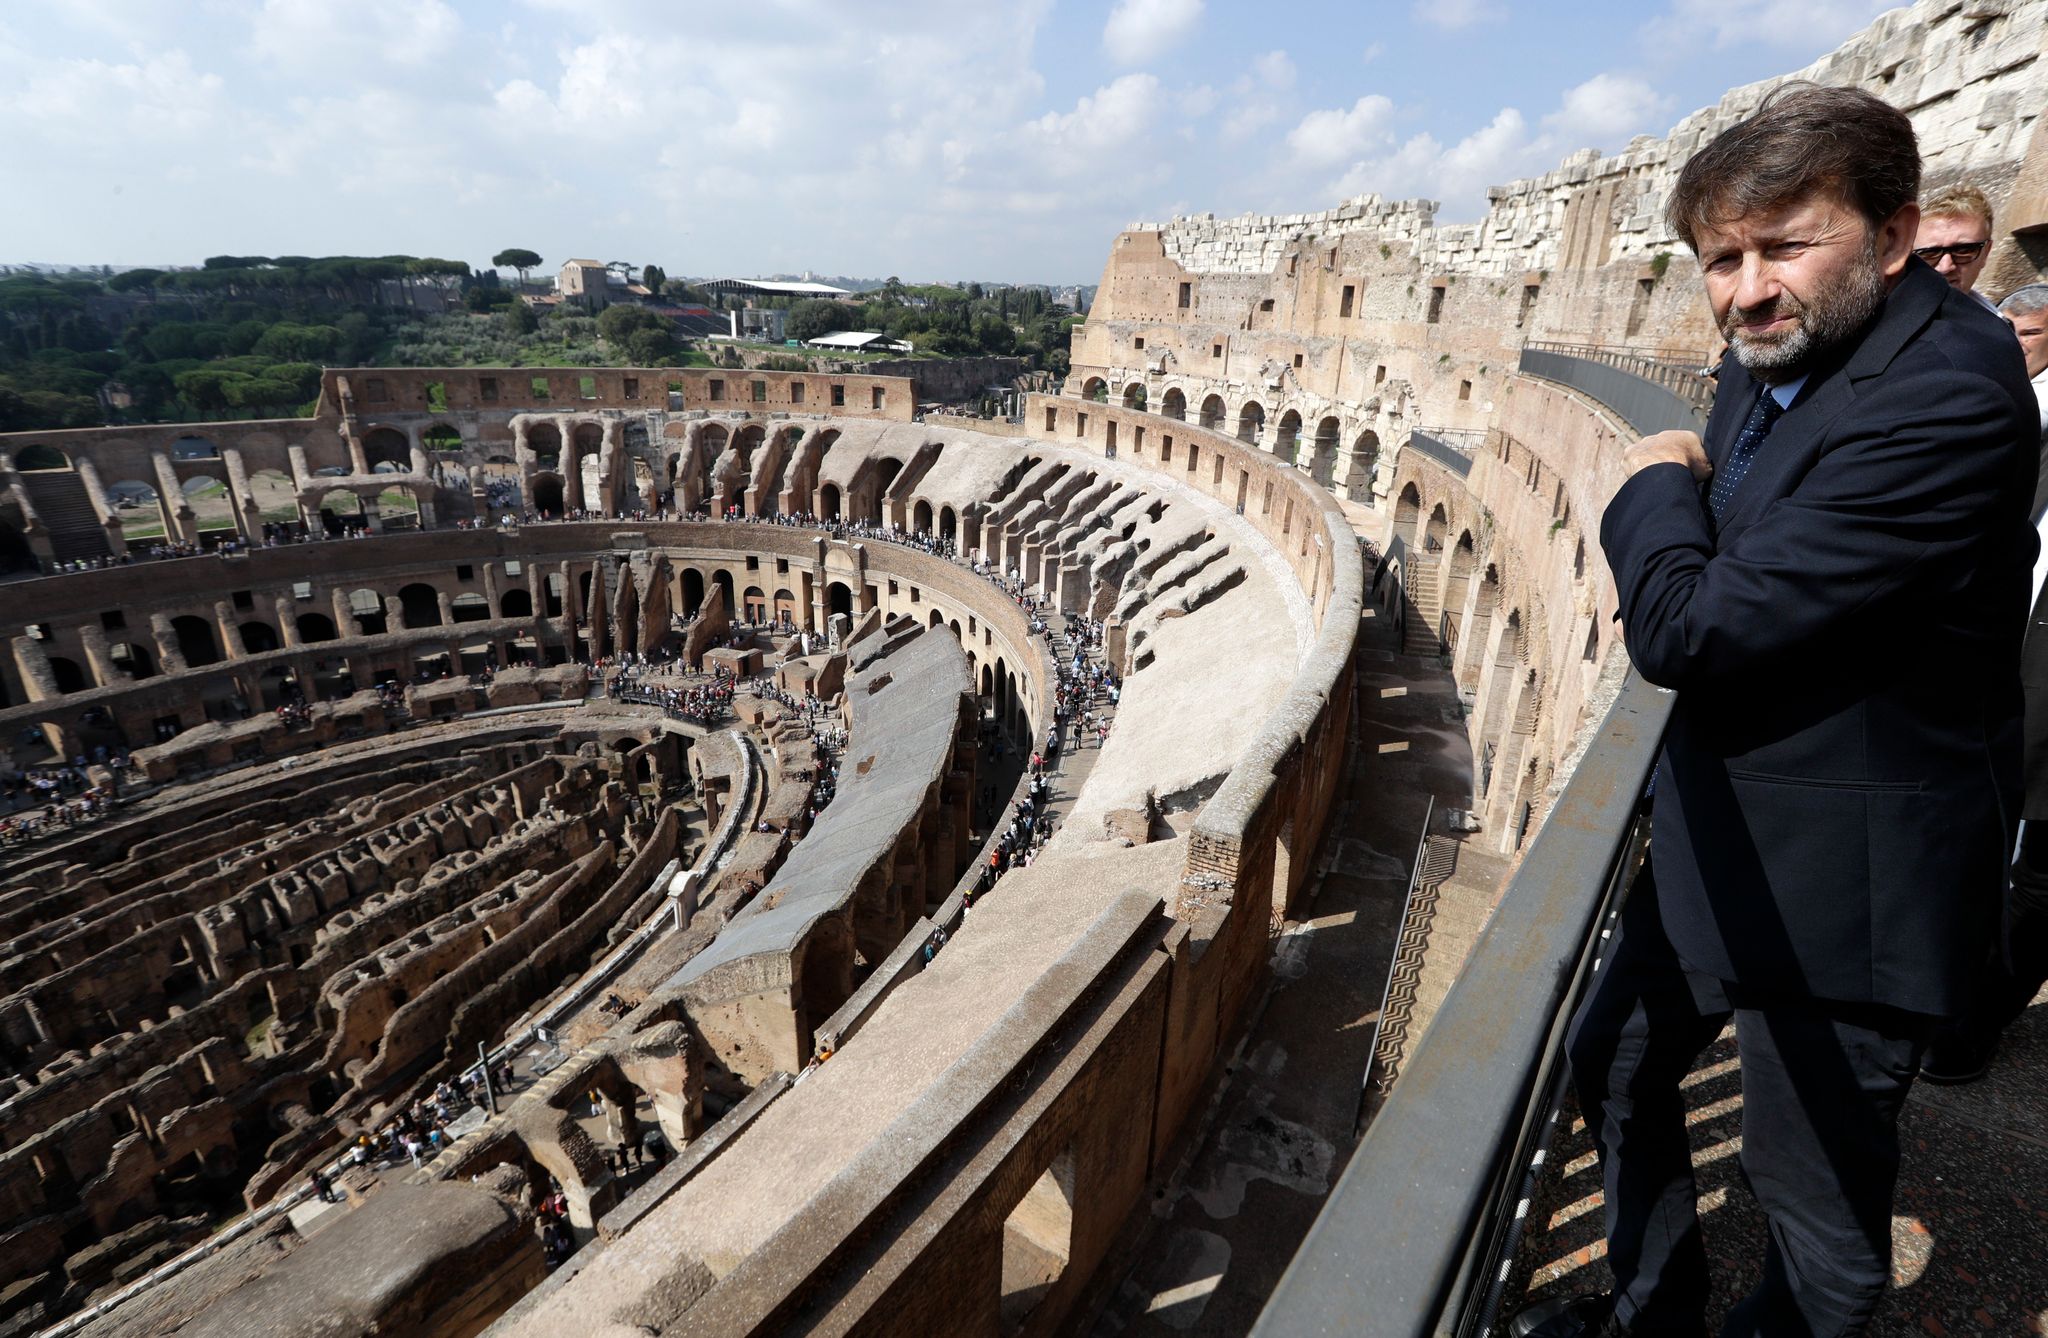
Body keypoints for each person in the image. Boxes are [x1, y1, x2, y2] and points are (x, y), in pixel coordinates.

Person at [1517, 84, 2036, 1338]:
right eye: (1719, 259)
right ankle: (1651, 1312)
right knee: (1620, 1063)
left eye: (1782, 244)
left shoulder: (1948, 393)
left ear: (1894, 236)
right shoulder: (1796, 343)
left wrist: (1650, 482)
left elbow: (1689, 627)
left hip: (1848, 887)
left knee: (1812, 1210)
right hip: (1721, 827)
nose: (1745, 288)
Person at [1920, 283, 2048, 1085]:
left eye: (2026, 333)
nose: (2010, 340)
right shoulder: (2010, 409)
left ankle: (1974, 1023)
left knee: (2036, 870)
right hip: (2000, 656)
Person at [1911, 180, 1997, 310]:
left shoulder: (1999, 324)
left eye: (1963, 251)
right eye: (1930, 253)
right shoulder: (1883, 323)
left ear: (1986, 252)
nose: (1946, 267)